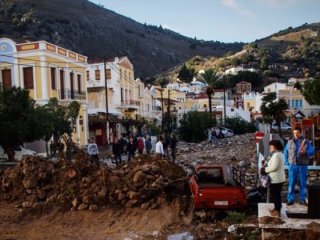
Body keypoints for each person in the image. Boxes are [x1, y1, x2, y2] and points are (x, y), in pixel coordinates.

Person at [284, 127, 315, 206]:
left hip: (303, 166)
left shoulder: (306, 142)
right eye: (294, 133)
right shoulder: (289, 142)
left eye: (297, 133)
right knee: (291, 183)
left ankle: (302, 199)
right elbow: (285, 153)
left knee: (303, 183)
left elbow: (312, 152)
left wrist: (306, 152)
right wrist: (288, 163)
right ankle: (290, 200)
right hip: (292, 166)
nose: (295, 134)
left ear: (301, 133)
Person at [261, 140, 285, 218]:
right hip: (277, 178)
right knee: (276, 195)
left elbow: (274, 166)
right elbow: (271, 163)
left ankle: (277, 211)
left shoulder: (276, 155)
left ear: (275, 147)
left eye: (271, 146)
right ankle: (276, 209)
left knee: (276, 195)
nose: (270, 148)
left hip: (276, 179)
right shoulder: (277, 154)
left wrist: (265, 170)